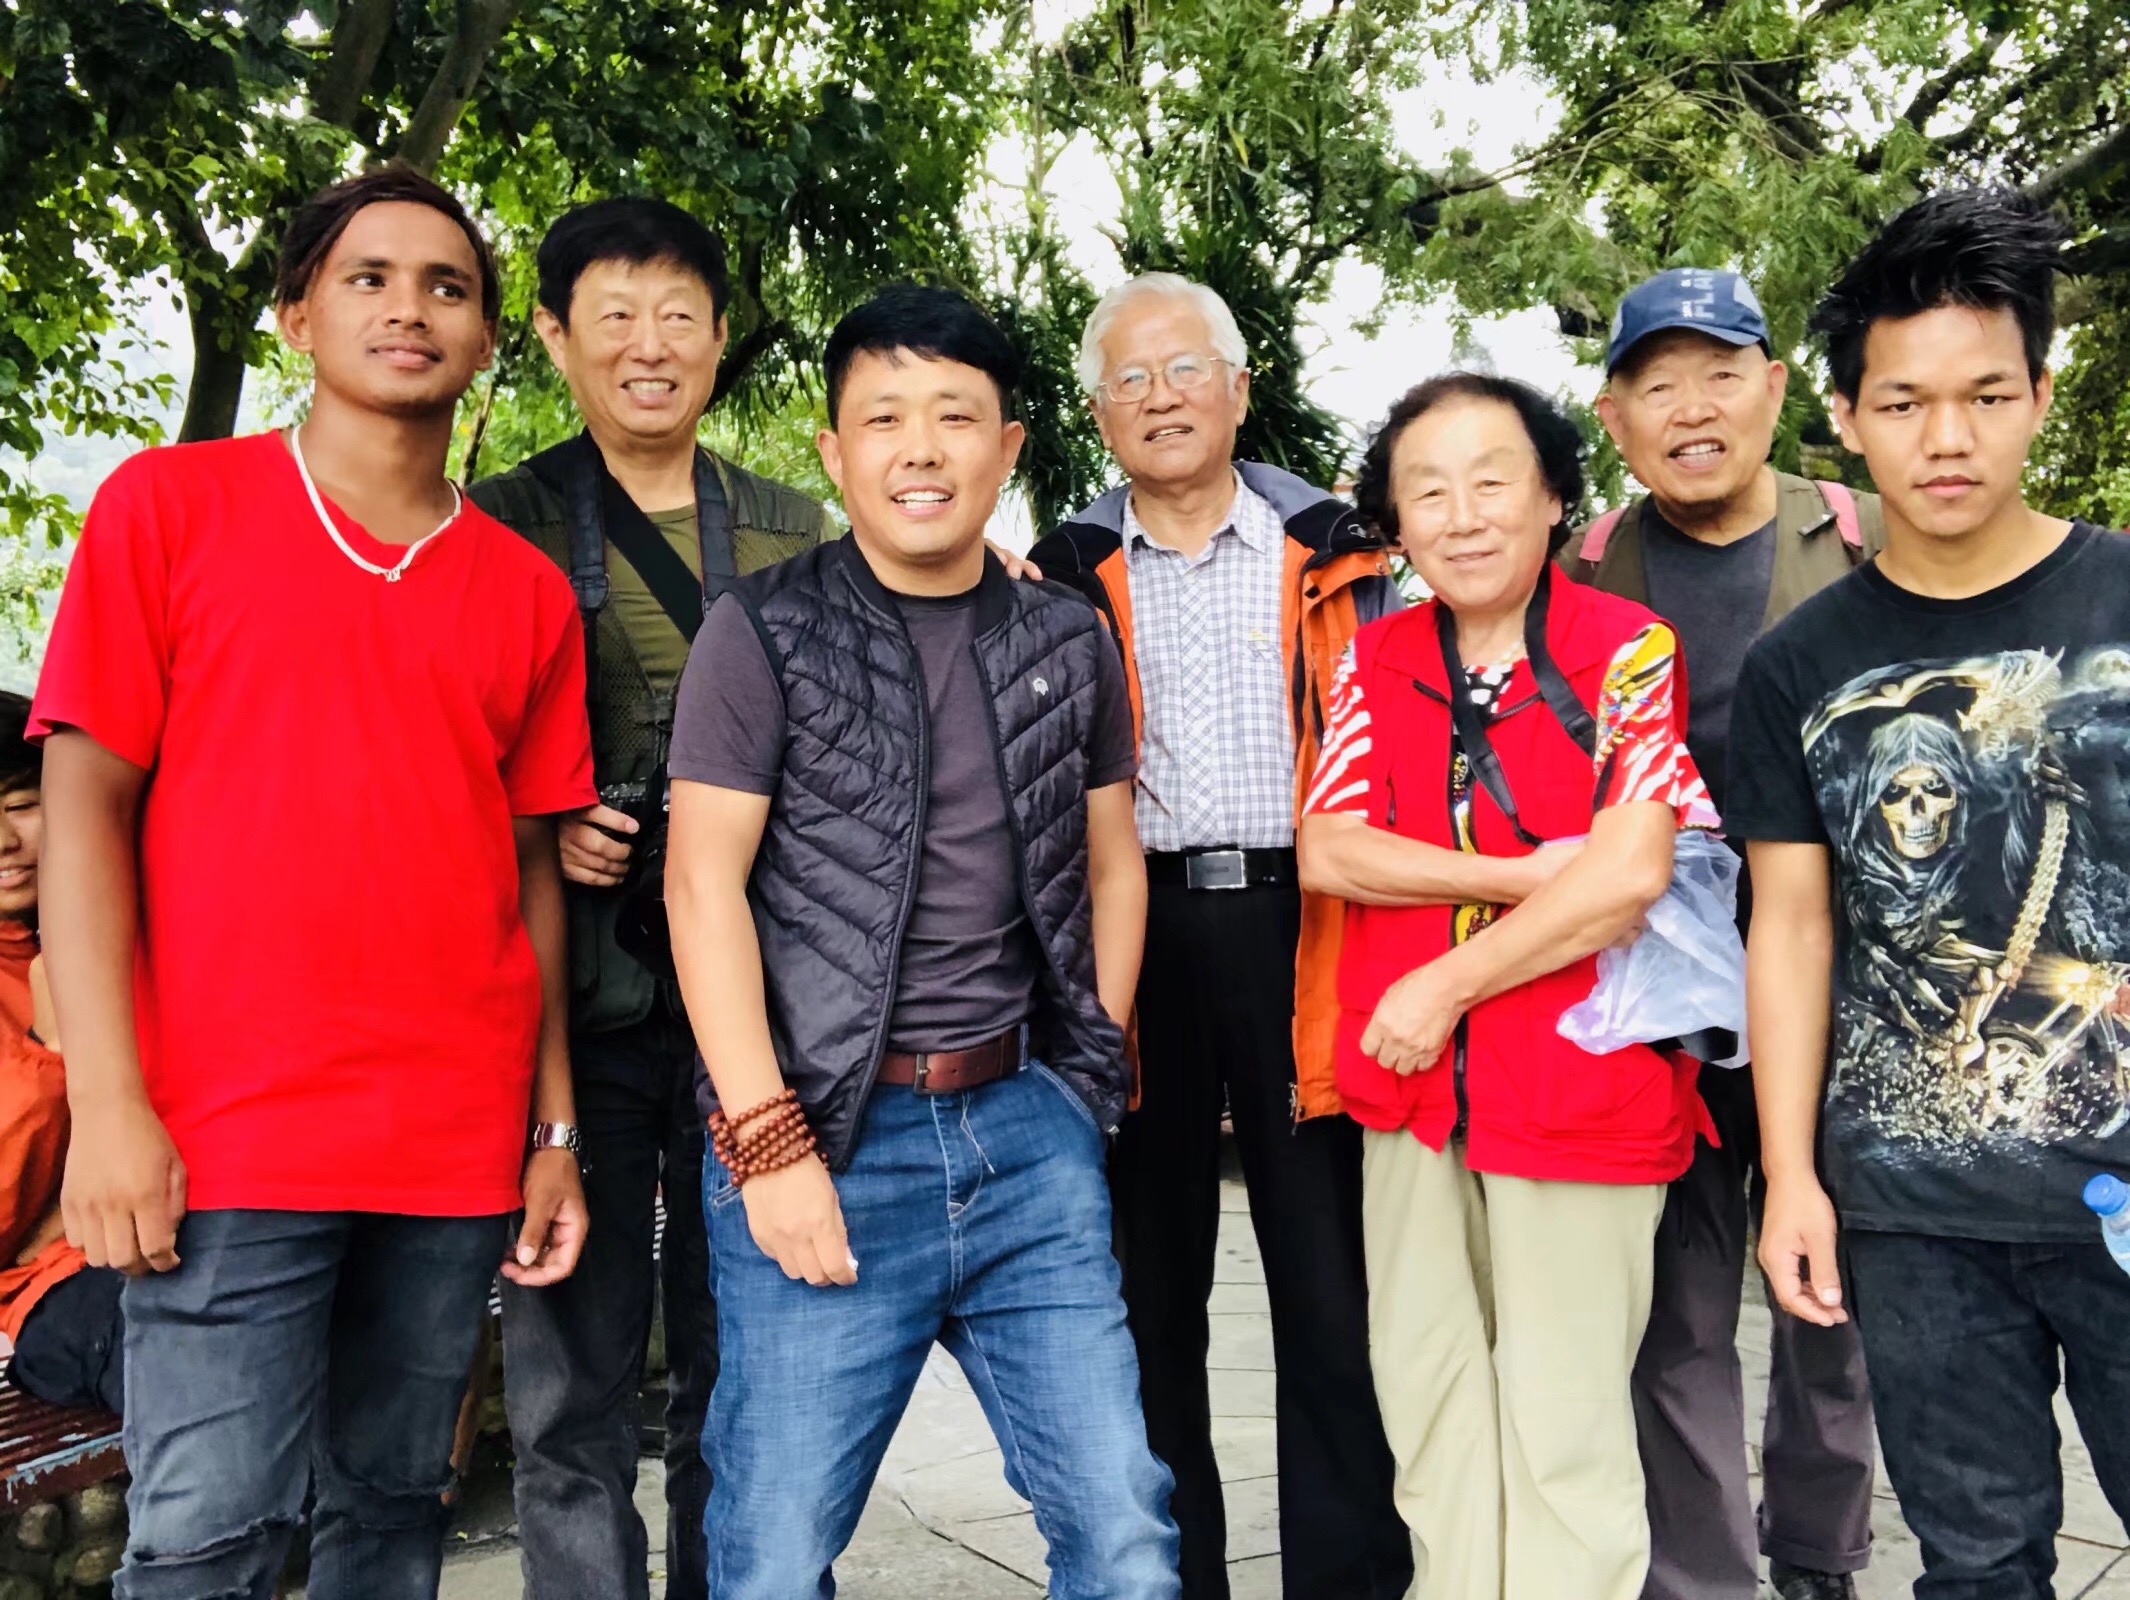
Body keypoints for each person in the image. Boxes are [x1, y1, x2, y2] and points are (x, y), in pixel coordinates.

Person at [31, 167, 595, 1600]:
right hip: (223, 1142)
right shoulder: (169, 508)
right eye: (369, 277)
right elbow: (84, 810)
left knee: (392, 1515)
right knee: (205, 1545)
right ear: (296, 315)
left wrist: (550, 1132)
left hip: (450, 1147)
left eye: (447, 286)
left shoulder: (526, 591)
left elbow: (531, 876)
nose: (410, 307)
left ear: (484, 340)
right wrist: (109, 1105)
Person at [665, 283, 1179, 1598]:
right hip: (825, 1141)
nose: (920, 448)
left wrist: (1084, 1082)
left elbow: (1111, 860)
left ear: (1007, 446)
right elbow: (700, 887)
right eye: (883, 417)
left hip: (1024, 1134)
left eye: (955, 415)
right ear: (834, 452)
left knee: (1123, 1534)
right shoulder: (762, 632)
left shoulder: (1066, 635)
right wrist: (767, 1143)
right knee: (772, 1557)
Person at [1732, 186, 2130, 1597]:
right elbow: (1791, 927)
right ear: (1844, 417)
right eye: (1903, 403)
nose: (1946, 438)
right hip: (1913, 1212)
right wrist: (1792, 1175)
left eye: (1984, 396)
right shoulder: (1796, 665)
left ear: (2039, 396)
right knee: (1974, 1564)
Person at [1299, 372, 1720, 1600]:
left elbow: (1631, 872)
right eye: (1428, 490)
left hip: (1577, 1089)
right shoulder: (1373, 658)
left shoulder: (1629, 649)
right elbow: (1329, 848)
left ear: (1552, 499)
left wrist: (1444, 981)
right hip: (1410, 1095)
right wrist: (1521, 875)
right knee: (1427, 1401)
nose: (1464, 514)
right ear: (1396, 520)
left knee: (1564, 1424)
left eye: (1494, 481)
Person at [1026, 272, 1411, 1600]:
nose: (1160, 397)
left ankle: (1347, 1581)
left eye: (1184, 368)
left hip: (1314, 927)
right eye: (1128, 379)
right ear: (1098, 413)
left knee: (1330, 1289)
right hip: (1133, 938)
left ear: (1239, 389)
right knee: (1148, 1294)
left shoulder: (1343, 552)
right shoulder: (1061, 575)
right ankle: (1170, 1579)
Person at [469, 195, 831, 1600]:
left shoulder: (797, 532)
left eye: (678, 315)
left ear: (721, 338)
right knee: (568, 1385)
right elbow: (451, 758)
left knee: (746, 1378)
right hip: (577, 1011)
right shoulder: (494, 527)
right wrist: (542, 820)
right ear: (554, 336)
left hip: (759, 1009)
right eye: (612, 315)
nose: (647, 345)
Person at [1578, 268, 1880, 1600]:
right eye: (1658, 385)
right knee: (1676, 1305)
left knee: (1834, 1290)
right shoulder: (1585, 562)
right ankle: (1700, 1576)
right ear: (1614, 417)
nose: (1691, 410)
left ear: (1774, 387)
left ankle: (1818, 1555)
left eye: (1719, 375)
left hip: (1846, 979)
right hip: (1664, 996)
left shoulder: (1868, 537)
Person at [0, 692, 123, 1415]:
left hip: (189, 1227)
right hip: (58, 1288)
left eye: (21, 805)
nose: (3, 841)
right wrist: (49, 1052)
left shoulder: (128, 918)